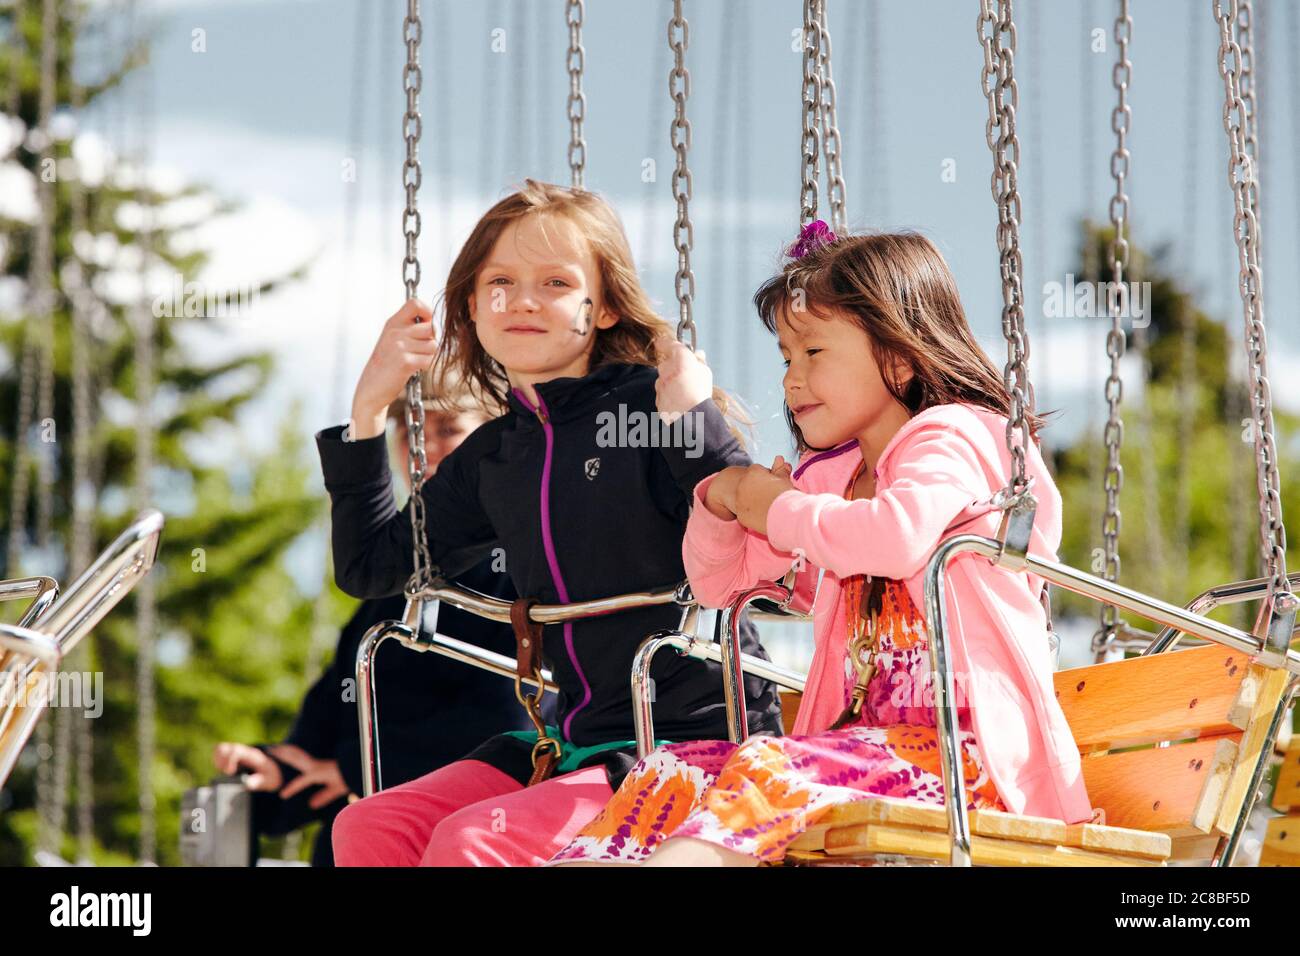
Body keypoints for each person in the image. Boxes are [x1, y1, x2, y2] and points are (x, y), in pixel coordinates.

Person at [549, 225, 1096, 867]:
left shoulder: (954, 437)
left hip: (965, 765)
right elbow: (721, 585)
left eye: (814, 353)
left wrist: (780, 509)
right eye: (786, 357)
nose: (792, 380)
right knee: (667, 773)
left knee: (765, 767)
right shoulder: (831, 479)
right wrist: (724, 504)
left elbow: (894, 537)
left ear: (898, 355)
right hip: (855, 752)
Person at [317, 179, 783, 866]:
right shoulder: (495, 456)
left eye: (556, 282)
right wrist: (368, 412)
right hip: (575, 740)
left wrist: (691, 413)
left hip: (693, 742)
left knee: (471, 842)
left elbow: (741, 509)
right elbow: (372, 568)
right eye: (500, 281)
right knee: (369, 828)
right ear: (471, 308)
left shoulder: (645, 411)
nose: (525, 299)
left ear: (603, 309)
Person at [212, 394, 547, 865]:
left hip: (470, 835)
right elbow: (338, 700)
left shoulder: (525, 566)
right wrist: (279, 767)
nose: (427, 448)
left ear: (490, 435)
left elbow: (515, 718)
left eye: (448, 429)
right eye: (413, 434)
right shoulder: (393, 584)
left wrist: (350, 768)